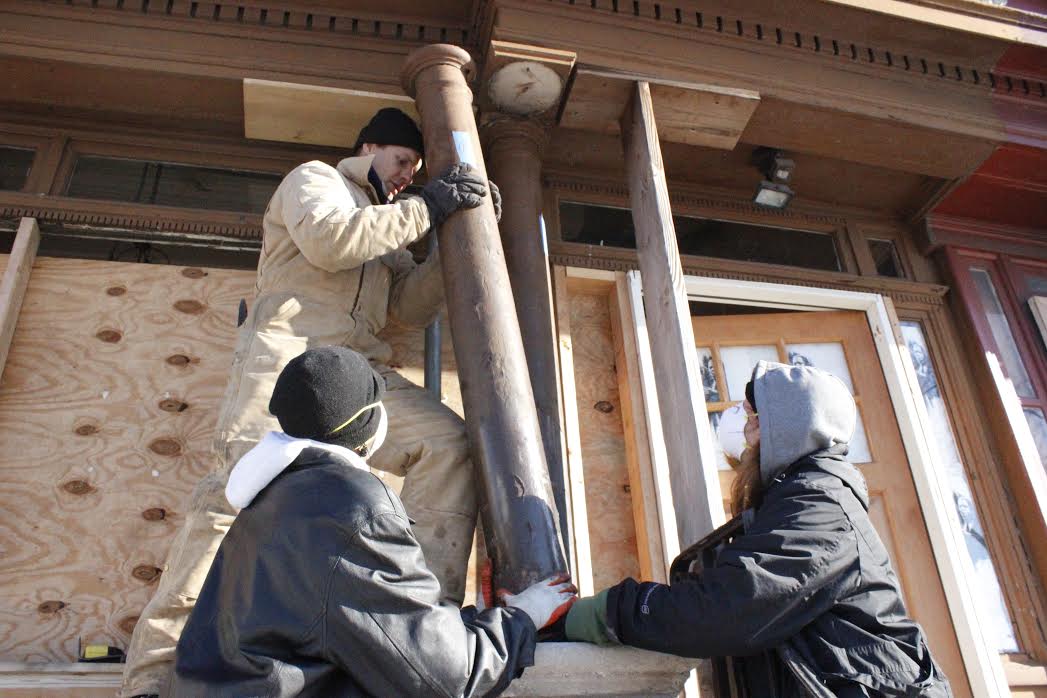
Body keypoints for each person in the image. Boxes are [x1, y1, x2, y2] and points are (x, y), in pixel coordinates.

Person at [123, 107, 500, 698]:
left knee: (447, 447)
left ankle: (421, 631)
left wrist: (456, 235)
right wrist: (429, 207)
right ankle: (148, 684)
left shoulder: (388, 224)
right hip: (284, 365)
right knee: (226, 516)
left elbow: (404, 312)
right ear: (369, 146)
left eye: (415, 171)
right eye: (403, 161)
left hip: (360, 375)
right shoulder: (316, 180)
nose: (407, 175)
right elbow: (330, 242)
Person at [172, 346, 575, 697]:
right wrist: (523, 617)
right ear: (368, 425)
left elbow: (370, 634)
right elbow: (449, 679)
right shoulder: (353, 509)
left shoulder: (274, 500)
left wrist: (469, 624)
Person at [563, 360, 952, 697]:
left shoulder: (821, 505)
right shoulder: (793, 498)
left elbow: (730, 606)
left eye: (755, 419)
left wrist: (607, 611)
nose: (744, 433)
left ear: (792, 429)